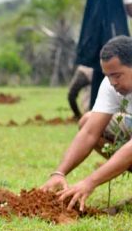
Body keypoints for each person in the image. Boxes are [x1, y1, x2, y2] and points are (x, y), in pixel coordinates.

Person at [43, 36, 132, 210]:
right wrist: (58, 173)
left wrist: (89, 182)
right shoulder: (110, 84)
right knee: (87, 120)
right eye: (108, 76)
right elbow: (90, 132)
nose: (112, 82)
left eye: (117, 75)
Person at [76, 0, 132, 108]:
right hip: (116, 38)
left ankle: (95, 111)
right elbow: (130, 9)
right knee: (120, 75)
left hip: (97, 40)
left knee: (99, 76)